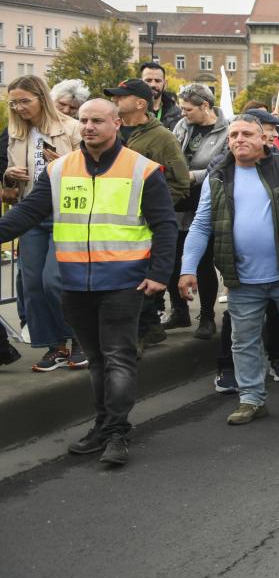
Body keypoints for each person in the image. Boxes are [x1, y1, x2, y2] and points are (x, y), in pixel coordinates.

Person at [0, 98, 177, 467]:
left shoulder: (143, 170)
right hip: (75, 282)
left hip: (124, 283)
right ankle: (103, 424)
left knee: (118, 357)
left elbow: (164, 225)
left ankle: (116, 432)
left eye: (98, 120)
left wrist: (160, 274)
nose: (89, 126)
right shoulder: (61, 169)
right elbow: (28, 213)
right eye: (84, 120)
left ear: (117, 124)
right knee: (96, 359)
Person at [178, 116, 279, 425]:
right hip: (242, 279)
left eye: (247, 134)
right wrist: (187, 269)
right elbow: (200, 225)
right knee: (243, 340)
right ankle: (251, 399)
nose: (239, 139)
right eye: (234, 135)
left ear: (264, 138)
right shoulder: (218, 176)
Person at [106, 77, 191, 350]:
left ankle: (141, 332)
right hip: (111, 222)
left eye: (121, 97)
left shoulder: (163, 137)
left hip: (144, 222)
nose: (115, 101)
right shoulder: (111, 133)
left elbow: (180, 181)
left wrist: (154, 207)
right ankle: (152, 327)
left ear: (140, 103)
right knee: (122, 275)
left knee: (140, 276)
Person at [5, 74, 82, 371]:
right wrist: (9, 175)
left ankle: (78, 339)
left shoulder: (72, 127)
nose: (19, 108)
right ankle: (55, 346)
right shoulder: (16, 132)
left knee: (54, 281)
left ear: (42, 98)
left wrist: (63, 161)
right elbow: (11, 182)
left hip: (65, 213)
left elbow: (89, 170)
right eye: (14, 103)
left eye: (25, 101)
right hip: (30, 212)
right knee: (33, 285)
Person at [170, 84, 229, 338]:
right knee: (173, 259)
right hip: (177, 201)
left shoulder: (227, 131)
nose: (184, 114)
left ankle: (206, 316)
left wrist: (190, 176)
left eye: (188, 109)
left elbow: (223, 167)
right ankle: (178, 311)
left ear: (205, 106)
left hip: (204, 201)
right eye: (182, 109)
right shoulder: (182, 126)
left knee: (202, 262)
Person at [139, 60, 181, 130]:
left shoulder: (176, 114)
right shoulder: (131, 110)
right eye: (148, 80)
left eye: (157, 81)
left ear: (165, 84)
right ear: (140, 82)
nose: (153, 85)